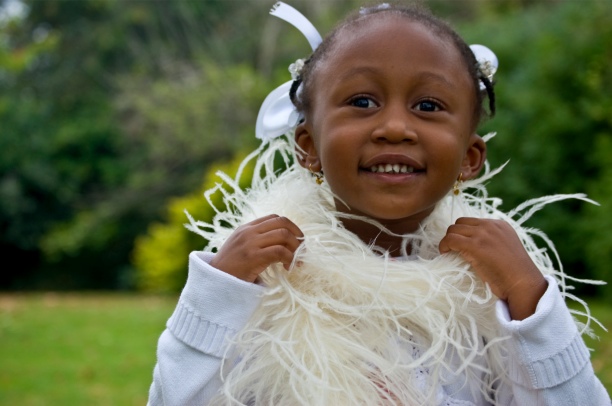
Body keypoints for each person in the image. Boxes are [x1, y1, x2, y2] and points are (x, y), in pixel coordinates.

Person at [147, 2, 611, 405]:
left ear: (469, 158)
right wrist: (217, 296)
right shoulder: (263, 277)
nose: (394, 128)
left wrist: (528, 298)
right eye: (363, 101)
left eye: (428, 106)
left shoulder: (488, 288)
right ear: (308, 146)